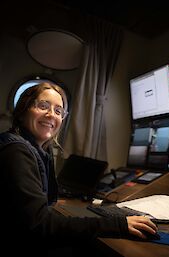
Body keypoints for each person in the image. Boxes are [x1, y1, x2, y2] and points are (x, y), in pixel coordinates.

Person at [0, 82, 157, 256]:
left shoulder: (37, 151)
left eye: (58, 111)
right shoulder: (16, 151)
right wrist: (118, 225)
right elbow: (39, 224)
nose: (51, 114)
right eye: (43, 106)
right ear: (23, 111)